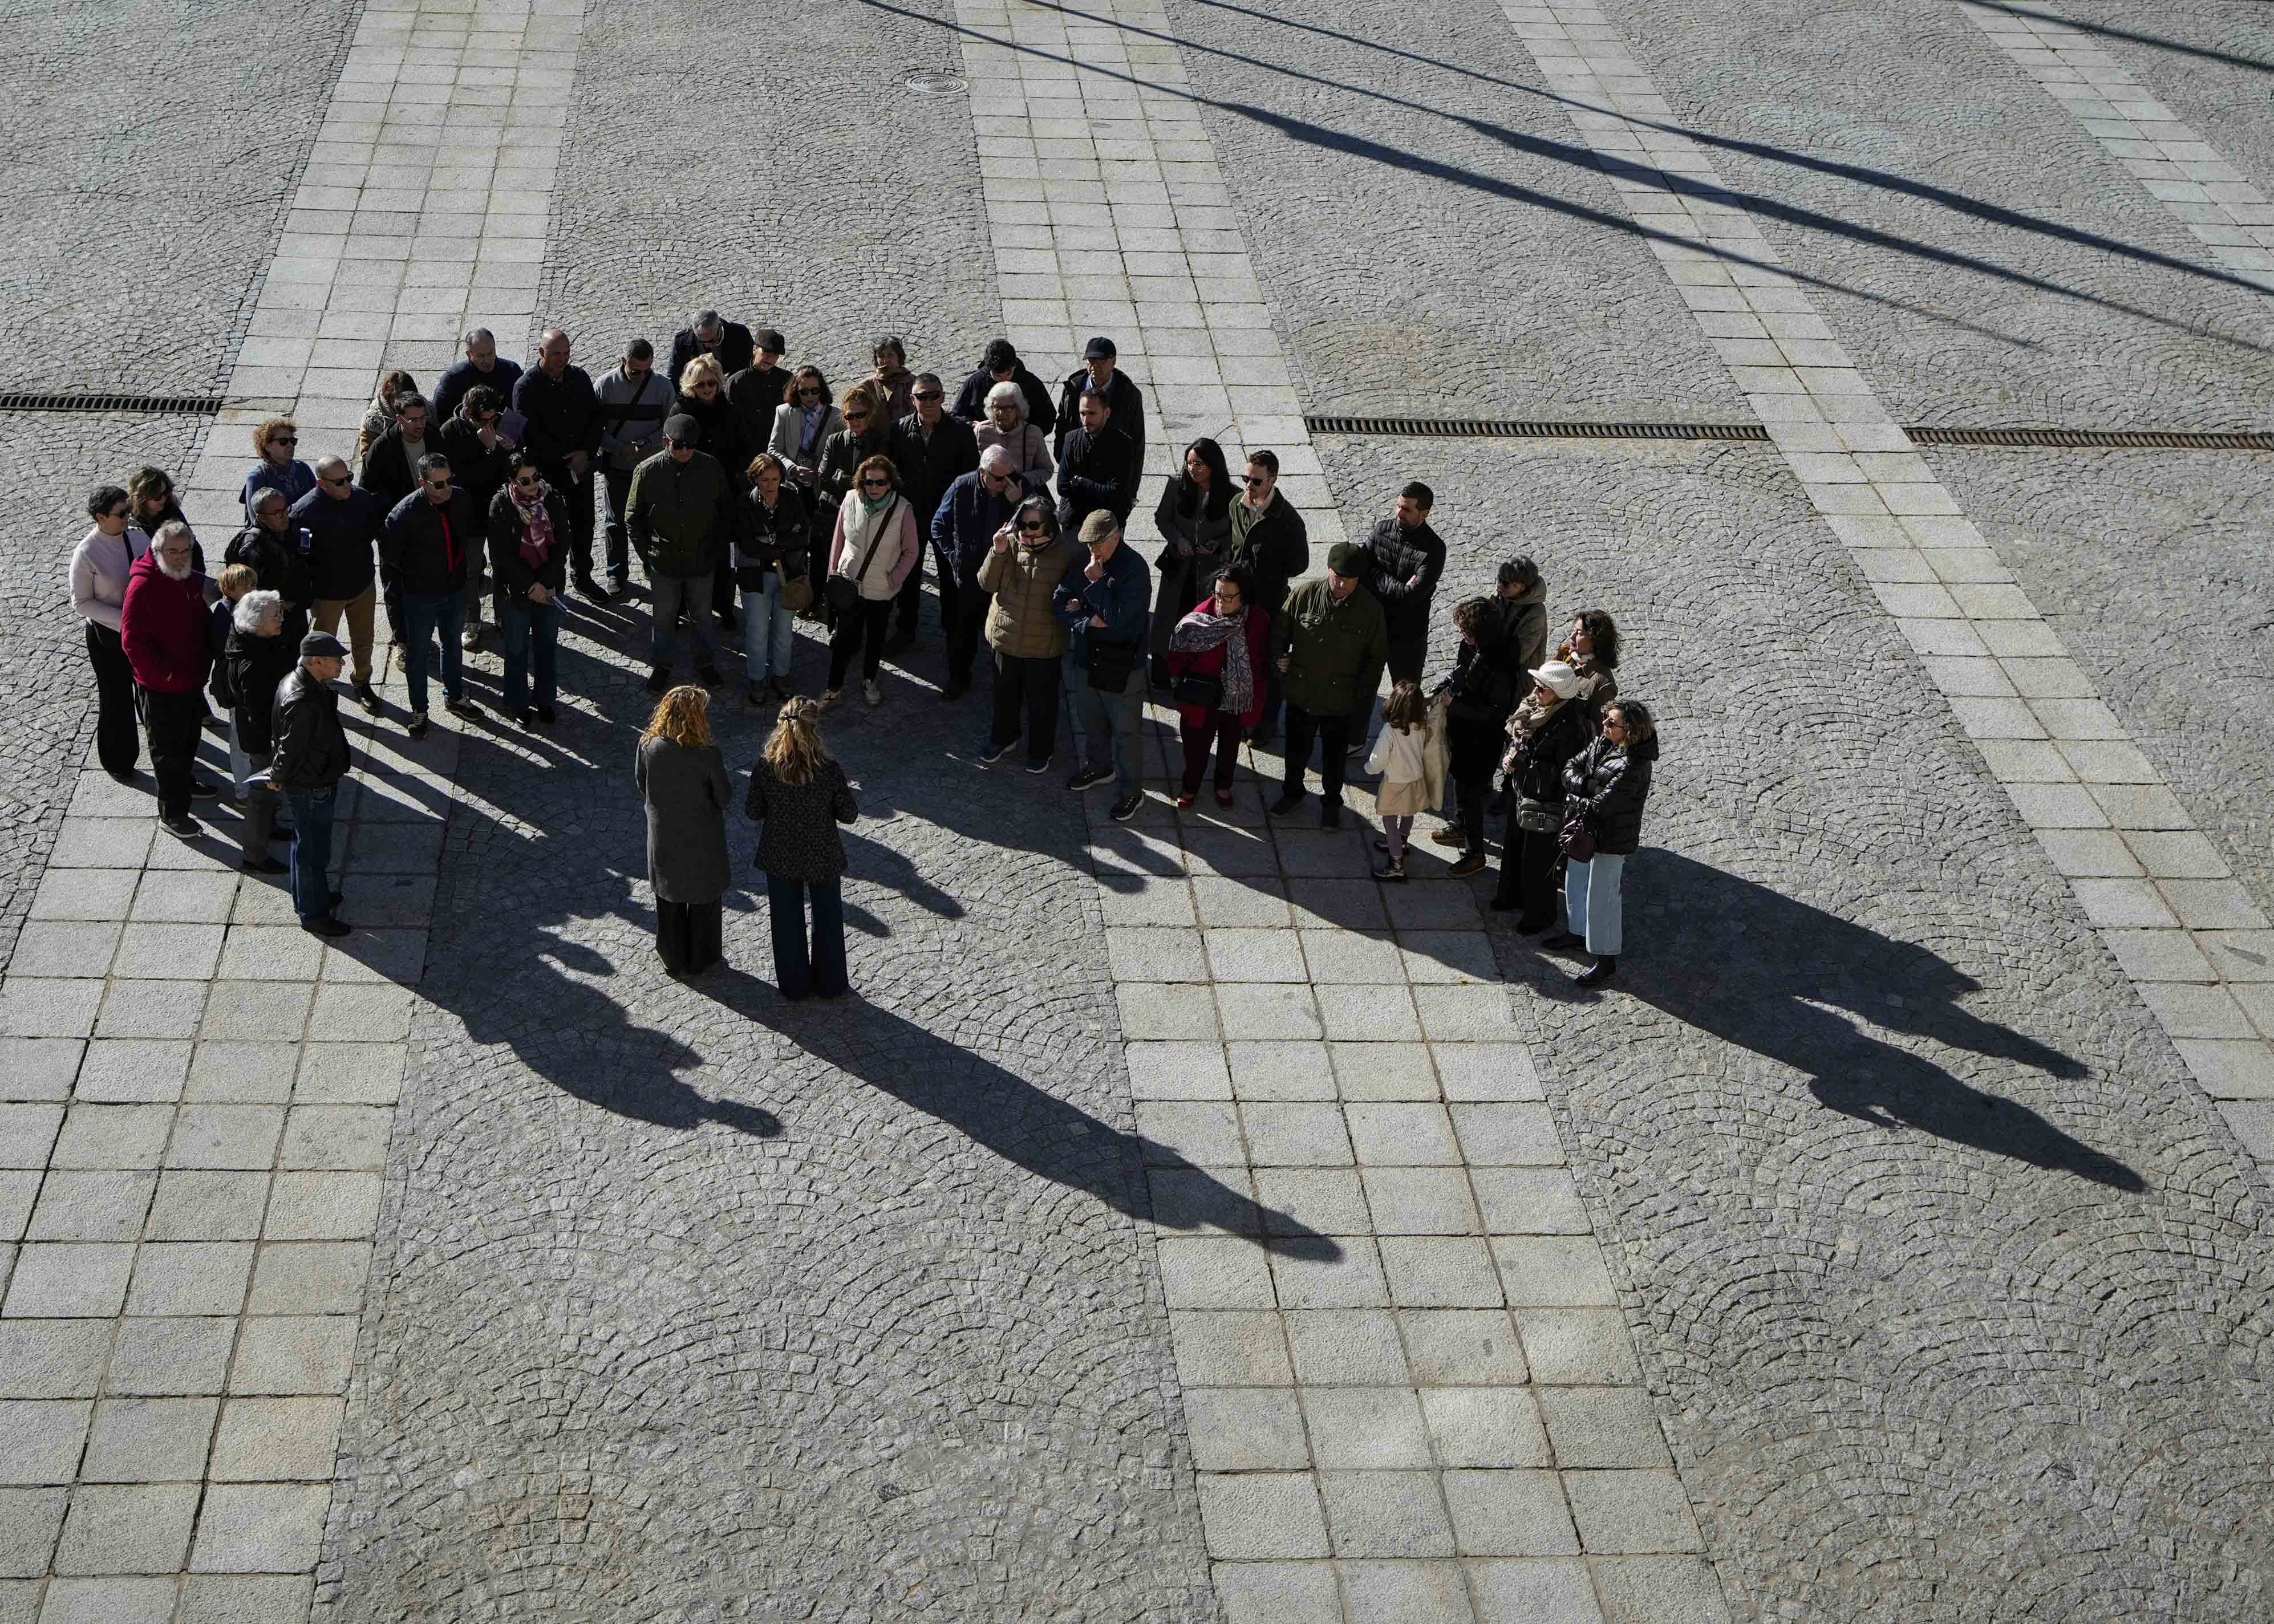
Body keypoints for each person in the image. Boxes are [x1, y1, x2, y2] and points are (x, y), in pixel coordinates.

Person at [746, 697, 858, 1000]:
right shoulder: (828, 769)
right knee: (829, 918)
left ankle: (794, 987)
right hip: (822, 852)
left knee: (786, 921)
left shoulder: (766, 768)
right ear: (814, 728)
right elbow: (849, 814)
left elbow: (754, 812)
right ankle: (831, 984)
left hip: (780, 853)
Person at [1271, 541, 1388, 829]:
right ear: (1329, 571)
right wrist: (1280, 658)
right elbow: (1279, 633)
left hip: (1341, 701)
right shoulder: (1304, 596)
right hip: (1303, 693)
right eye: (1338, 578)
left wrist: (1362, 698)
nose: (1342, 585)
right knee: (1296, 752)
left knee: (1335, 760)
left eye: (1349, 581)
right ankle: (1292, 793)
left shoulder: (1370, 611)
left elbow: (1376, 659)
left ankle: (1332, 803)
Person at [627, 415, 740, 695]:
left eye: (691, 446)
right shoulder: (647, 471)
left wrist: (714, 550)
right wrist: (648, 555)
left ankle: (705, 664)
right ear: (666, 442)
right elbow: (633, 518)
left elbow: (725, 512)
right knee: (663, 618)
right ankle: (662, 666)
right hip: (663, 563)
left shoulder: (711, 468)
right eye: (679, 447)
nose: (686, 452)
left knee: (702, 616)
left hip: (701, 562)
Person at [120, 522, 218, 835]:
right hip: (162, 687)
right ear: (156, 550)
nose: (179, 557)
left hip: (190, 680)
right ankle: (172, 814)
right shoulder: (143, 586)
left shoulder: (186, 577)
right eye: (172, 552)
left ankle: (186, 784)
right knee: (167, 752)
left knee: (189, 740)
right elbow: (132, 642)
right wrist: (167, 675)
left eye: (184, 551)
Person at [1552, 700, 1658, 987]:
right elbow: (1570, 769)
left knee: (1603, 899)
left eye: (1612, 723)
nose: (1605, 725)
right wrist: (1587, 786)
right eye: (1606, 719)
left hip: (1611, 838)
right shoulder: (1602, 742)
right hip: (1586, 831)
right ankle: (1577, 931)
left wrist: (1574, 796)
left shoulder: (1636, 764)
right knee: (1576, 880)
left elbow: (1603, 806)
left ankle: (1606, 958)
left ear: (1631, 731)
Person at [1054, 510, 1152, 822]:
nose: (1092, 551)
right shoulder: (1085, 560)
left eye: (1097, 544)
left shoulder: (1135, 569)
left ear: (1116, 538)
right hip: (1087, 658)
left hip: (1121, 665)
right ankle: (1099, 767)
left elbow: (1122, 623)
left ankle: (1132, 792)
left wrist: (1095, 587)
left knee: (1125, 733)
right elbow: (1060, 602)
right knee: (1090, 720)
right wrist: (1087, 621)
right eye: (1089, 544)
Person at [379, 453, 480, 736]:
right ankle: (419, 710)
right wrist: (397, 616)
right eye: (438, 485)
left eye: (449, 481)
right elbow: (390, 566)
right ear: (423, 483)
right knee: (417, 653)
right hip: (420, 596)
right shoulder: (403, 516)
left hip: (455, 589)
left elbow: (466, 535)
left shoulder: (459, 499)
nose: (446, 488)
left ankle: (455, 697)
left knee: (452, 645)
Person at [636, 684, 732, 976]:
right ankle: (701, 958)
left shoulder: (648, 746)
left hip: (665, 837)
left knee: (669, 899)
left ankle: (673, 957)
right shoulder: (707, 754)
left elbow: (642, 784)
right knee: (703, 901)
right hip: (702, 839)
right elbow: (723, 797)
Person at [1490, 662, 1593, 929]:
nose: (1535, 692)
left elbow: (1563, 770)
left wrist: (1522, 761)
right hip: (1523, 790)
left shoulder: (1571, 726)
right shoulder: (1537, 710)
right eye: (1536, 686)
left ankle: (1540, 915)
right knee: (1515, 846)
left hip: (1546, 800)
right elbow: (1521, 739)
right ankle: (1511, 896)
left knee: (1537, 859)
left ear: (1557, 693)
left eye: (1541, 688)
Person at [1348, 481, 1447, 751]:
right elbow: (1362, 566)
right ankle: (1355, 739)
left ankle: (1402, 746)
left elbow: (1410, 597)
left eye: (1406, 509)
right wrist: (1393, 582)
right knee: (1362, 685)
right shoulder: (1382, 529)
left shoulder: (1434, 549)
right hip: (1374, 626)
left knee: (1405, 693)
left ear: (1424, 514)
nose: (1399, 513)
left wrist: (1377, 575)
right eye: (1399, 506)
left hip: (1407, 635)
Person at [976, 496, 1072, 772]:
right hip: (1006, 636)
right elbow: (986, 583)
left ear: (1048, 526)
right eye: (1021, 524)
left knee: (1042, 702)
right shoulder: (1008, 545)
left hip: (1044, 643)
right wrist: (997, 551)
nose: (1026, 531)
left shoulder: (1065, 553)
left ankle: (1042, 750)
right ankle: (1004, 738)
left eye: (1033, 525)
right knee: (1004, 696)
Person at [884, 372, 979, 652]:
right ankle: (906, 629)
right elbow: (892, 473)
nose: (929, 402)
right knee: (909, 576)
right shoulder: (899, 431)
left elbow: (970, 477)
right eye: (922, 397)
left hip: (947, 518)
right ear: (912, 400)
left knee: (950, 577)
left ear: (943, 397)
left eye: (934, 396)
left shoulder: (960, 432)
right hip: (911, 516)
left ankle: (953, 632)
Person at [1222, 450, 1308, 745]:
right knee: (1239, 661)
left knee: (1271, 666)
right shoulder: (1237, 505)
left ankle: (1266, 724)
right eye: (1245, 478)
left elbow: (1300, 564)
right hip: (1239, 602)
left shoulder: (1288, 520)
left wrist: (1268, 567)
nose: (1249, 486)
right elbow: (1231, 547)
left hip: (1270, 604)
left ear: (1273, 479)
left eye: (1256, 481)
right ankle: (1241, 715)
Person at [1434, 596, 1525, 876]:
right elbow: (1461, 673)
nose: (1462, 636)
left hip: (1482, 739)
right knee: (1461, 788)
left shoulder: (1500, 661)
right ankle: (1460, 828)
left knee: (1471, 795)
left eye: (1466, 631)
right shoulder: (1473, 645)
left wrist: (1455, 705)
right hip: (1463, 732)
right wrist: (1445, 687)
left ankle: (1475, 853)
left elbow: (1495, 712)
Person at [820, 454, 919, 709]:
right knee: (843, 640)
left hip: (881, 589)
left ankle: (869, 680)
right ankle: (833, 688)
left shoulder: (903, 509)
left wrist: (894, 580)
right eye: (869, 482)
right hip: (849, 583)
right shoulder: (850, 499)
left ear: (891, 483)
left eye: (881, 483)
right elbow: (839, 539)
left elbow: (912, 551)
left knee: (876, 639)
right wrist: (834, 573)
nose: (874, 488)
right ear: (861, 482)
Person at [1164, 567, 1268, 809]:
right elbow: (1177, 657)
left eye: (1229, 597)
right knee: (1196, 747)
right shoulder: (1200, 618)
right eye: (1218, 594)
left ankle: (1223, 785)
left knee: (1230, 746)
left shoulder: (1258, 621)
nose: (1221, 601)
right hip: (1201, 698)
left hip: (1235, 698)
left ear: (1244, 597)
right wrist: (1179, 688)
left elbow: (1262, 660)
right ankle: (1190, 787)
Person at [271, 632, 354, 937]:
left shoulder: (301, 683)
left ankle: (310, 898)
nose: (342, 664)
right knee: (313, 853)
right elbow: (290, 747)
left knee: (304, 845)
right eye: (337, 659)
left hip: (309, 781)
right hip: (311, 786)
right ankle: (314, 915)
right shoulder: (303, 699)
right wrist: (277, 777)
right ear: (317, 662)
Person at [290, 457, 386, 712]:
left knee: (364, 638)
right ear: (321, 483)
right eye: (340, 482)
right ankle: (319, 686)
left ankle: (362, 682)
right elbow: (301, 558)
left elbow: (375, 533)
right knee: (322, 645)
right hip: (327, 594)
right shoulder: (304, 513)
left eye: (349, 478)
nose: (348, 485)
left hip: (362, 586)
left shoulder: (362, 499)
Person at [513, 328, 603, 598]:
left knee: (584, 522)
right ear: (541, 353)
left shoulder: (578, 378)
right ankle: (553, 581)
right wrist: (566, 456)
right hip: (548, 472)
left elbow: (595, 419)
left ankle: (582, 575)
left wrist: (585, 453)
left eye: (566, 354)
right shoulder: (526, 387)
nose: (562, 360)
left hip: (580, 468)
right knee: (549, 528)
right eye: (556, 355)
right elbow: (529, 435)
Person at [70, 485, 151, 781]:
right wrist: (124, 620)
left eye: (128, 510)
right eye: (121, 513)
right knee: (116, 698)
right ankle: (119, 761)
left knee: (150, 691)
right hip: (110, 637)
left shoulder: (137, 536)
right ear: (100, 517)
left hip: (142, 630)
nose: (128, 516)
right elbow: (81, 602)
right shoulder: (87, 553)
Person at [930, 448, 1024, 700]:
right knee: (963, 630)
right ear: (983, 474)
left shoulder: (1017, 487)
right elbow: (938, 526)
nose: (1005, 483)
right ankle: (959, 677)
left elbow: (1042, 522)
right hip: (969, 574)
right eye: (998, 478)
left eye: (1009, 476)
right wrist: (954, 557)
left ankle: (1006, 684)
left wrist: (1018, 502)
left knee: (1004, 630)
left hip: (1003, 574)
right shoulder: (962, 486)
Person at [487, 452, 569, 728]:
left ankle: (545, 700)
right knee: (517, 649)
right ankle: (519, 703)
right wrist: (530, 586)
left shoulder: (553, 499)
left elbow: (561, 546)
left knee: (547, 646)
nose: (532, 484)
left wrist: (545, 584)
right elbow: (502, 555)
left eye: (535, 477)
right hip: (516, 591)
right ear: (512, 480)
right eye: (525, 480)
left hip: (548, 586)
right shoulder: (501, 505)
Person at [674, 353, 752, 632]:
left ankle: (723, 605)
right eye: (701, 385)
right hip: (690, 497)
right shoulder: (681, 413)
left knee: (723, 558)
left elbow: (744, 450)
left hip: (723, 496)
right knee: (690, 554)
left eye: (711, 384)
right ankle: (684, 606)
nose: (707, 389)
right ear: (691, 386)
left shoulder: (729, 411)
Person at [222, 589, 297, 873]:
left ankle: (269, 828)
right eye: (275, 615)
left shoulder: (252, 639)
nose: (281, 619)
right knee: (261, 793)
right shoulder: (252, 664)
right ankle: (255, 854)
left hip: (264, 730)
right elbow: (258, 711)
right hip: (261, 736)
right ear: (256, 622)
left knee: (267, 791)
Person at [1150, 439, 1233, 685]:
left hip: (1209, 572)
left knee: (1200, 621)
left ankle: (1194, 675)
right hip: (1178, 568)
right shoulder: (1176, 487)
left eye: (1199, 464)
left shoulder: (1232, 496)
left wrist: (1218, 545)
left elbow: (1236, 532)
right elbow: (1163, 519)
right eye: (1189, 463)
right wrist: (1178, 540)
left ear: (1213, 466)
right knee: (1169, 620)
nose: (1192, 469)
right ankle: (1163, 673)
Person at [595, 339, 674, 596]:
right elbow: (594, 430)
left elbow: (671, 424)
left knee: (653, 521)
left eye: (647, 371)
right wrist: (619, 448)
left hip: (651, 468)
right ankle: (616, 572)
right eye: (635, 371)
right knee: (615, 522)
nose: (642, 376)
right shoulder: (605, 386)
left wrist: (648, 443)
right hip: (617, 467)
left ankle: (653, 566)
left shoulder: (662, 386)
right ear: (623, 362)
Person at [437, 385, 510, 652]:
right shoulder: (449, 433)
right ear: (469, 414)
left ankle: (504, 615)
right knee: (470, 571)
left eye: (494, 419)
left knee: (504, 566)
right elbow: (462, 478)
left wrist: (504, 450)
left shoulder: (498, 425)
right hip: (470, 515)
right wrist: (490, 450)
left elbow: (509, 470)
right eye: (484, 420)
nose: (490, 425)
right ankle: (472, 620)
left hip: (499, 511)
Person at [737, 452, 810, 705]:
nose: (770, 486)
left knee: (783, 631)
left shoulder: (792, 499)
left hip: (787, 577)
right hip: (754, 578)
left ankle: (781, 675)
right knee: (757, 631)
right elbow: (746, 544)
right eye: (765, 480)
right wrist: (782, 542)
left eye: (775, 479)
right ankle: (757, 678)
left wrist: (769, 543)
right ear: (755, 479)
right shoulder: (745, 503)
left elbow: (803, 537)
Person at [224, 489, 315, 651]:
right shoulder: (252, 547)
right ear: (260, 517)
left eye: (286, 509)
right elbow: (248, 596)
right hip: (272, 626)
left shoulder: (289, 530)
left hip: (295, 617)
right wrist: (281, 606)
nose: (285, 515)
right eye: (277, 513)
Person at [1367, 681, 1434, 883]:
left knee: (1389, 820)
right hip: (1415, 779)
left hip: (1395, 782)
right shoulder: (1421, 727)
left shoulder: (1390, 731)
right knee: (1408, 812)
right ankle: (1402, 842)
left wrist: (1369, 769)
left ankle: (1396, 866)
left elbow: (1378, 759)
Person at [1055, 387, 1137, 537]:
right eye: (1082, 413)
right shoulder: (1071, 439)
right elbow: (1062, 487)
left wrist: (1081, 482)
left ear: (1107, 413)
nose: (1086, 420)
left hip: (1107, 524)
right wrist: (1099, 489)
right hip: (1074, 522)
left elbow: (1116, 492)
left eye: (1092, 413)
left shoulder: (1123, 444)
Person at [208, 564, 260, 800]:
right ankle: (243, 794)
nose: (251, 590)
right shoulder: (224, 613)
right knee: (239, 743)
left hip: (248, 685)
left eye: (253, 586)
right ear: (228, 590)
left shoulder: (245, 607)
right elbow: (227, 651)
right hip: (236, 688)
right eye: (245, 587)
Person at [813, 383, 893, 535]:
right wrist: (858, 482)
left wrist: (841, 479)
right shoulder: (834, 440)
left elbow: (878, 482)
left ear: (870, 414)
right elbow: (823, 479)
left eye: (860, 415)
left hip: (866, 513)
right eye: (849, 416)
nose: (854, 420)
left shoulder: (880, 442)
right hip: (832, 512)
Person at [1052, 335, 1144, 466]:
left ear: (1114, 362)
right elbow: (1062, 423)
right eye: (1091, 360)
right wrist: (1061, 456)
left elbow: (1137, 439)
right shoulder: (1073, 388)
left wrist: (1130, 480)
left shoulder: (1129, 394)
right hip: (1076, 461)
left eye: (1101, 361)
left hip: (1112, 466)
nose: (1095, 366)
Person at [952, 338, 1054, 439]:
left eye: (1008, 374)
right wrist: (973, 426)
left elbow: (1047, 417)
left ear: (1014, 366)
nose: (1004, 381)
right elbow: (956, 416)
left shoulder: (1031, 382)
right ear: (989, 369)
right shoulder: (976, 382)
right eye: (998, 376)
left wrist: (1028, 434)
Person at [768, 366, 842, 495]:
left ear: (821, 390)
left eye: (814, 391)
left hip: (821, 488)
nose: (810, 396)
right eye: (804, 392)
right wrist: (793, 468)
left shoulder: (835, 416)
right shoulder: (784, 412)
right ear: (796, 391)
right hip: (792, 486)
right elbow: (774, 450)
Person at [974, 379, 1053, 498]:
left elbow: (1046, 470)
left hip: (1021, 496)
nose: (1001, 413)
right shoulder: (981, 431)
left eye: (1007, 408)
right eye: (997, 407)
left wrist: (1022, 481)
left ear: (1018, 409)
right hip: (988, 497)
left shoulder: (1033, 434)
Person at [359, 393, 435, 510]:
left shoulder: (435, 437)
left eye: (423, 418)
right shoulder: (382, 448)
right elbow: (367, 489)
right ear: (400, 419)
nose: (420, 425)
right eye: (413, 420)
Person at [431, 328, 524, 424]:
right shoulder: (454, 379)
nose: (487, 361)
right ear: (469, 355)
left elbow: (522, 409)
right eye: (481, 356)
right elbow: (439, 417)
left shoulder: (511, 371)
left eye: (491, 353)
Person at [725, 328, 791, 450]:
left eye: (776, 354)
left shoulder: (786, 379)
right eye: (766, 352)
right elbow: (731, 421)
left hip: (778, 446)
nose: (770, 358)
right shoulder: (737, 382)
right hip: (746, 448)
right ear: (755, 350)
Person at [241, 417, 315, 517]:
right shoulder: (258, 476)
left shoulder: (302, 468)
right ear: (267, 446)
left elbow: (318, 500)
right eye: (283, 441)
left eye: (293, 441)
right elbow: (256, 518)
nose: (290, 446)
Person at [1558, 608, 1621, 725]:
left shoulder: (1603, 683)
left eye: (1580, 633)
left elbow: (1599, 727)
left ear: (1596, 640)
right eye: (1573, 631)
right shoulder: (1565, 656)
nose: (1571, 637)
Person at [666, 308, 757, 386]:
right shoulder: (682, 341)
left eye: (712, 341)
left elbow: (751, 366)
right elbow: (673, 375)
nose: (707, 345)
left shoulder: (740, 335)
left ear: (720, 326)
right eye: (701, 341)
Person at [356, 371, 419, 463]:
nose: (404, 406)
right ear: (389, 399)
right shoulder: (373, 420)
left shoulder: (426, 409)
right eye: (399, 402)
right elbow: (368, 457)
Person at [868, 335, 916, 423]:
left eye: (891, 355)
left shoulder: (915, 383)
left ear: (899, 356)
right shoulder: (867, 386)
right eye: (881, 356)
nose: (886, 360)